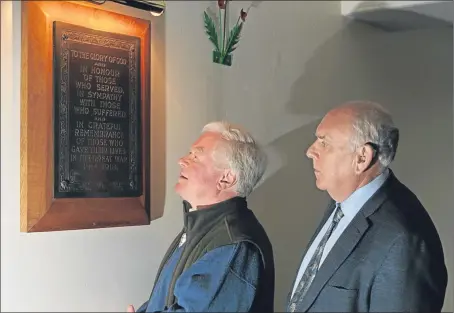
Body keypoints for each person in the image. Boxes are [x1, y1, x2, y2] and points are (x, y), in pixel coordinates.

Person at [286, 101, 448, 312]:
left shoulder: (403, 241)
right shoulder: (342, 203)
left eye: (324, 143)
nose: (310, 151)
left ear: (362, 158)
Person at [128, 121, 275, 312]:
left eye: (196, 156)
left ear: (226, 179)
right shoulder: (203, 226)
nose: (182, 160)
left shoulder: (233, 244)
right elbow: (168, 298)